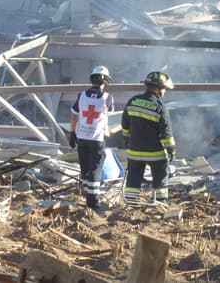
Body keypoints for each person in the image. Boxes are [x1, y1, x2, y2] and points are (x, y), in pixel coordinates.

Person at [121, 71, 176, 205]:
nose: (164, 92)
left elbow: (125, 125)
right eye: (164, 89)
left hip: (134, 152)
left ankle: (131, 202)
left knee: (133, 177)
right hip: (155, 153)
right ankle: (160, 202)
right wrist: (171, 150)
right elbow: (166, 135)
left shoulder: (133, 101)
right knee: (160, 174)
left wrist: (128, 141)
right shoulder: (160, 107)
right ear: (158, 88)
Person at [70, 65, 114, 211]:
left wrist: (72, 134)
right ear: (105, 81)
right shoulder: (108, 98)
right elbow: (109, 113)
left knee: (85, 169)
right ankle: (93, 204)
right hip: (97, 139)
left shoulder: (81, 95)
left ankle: (87, 198)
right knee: (95, 170)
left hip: (82, 137)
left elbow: (74, 116)